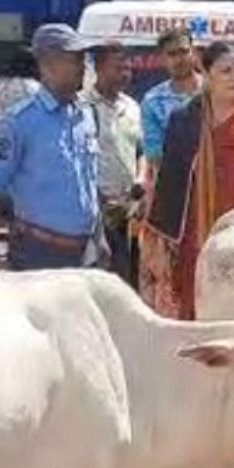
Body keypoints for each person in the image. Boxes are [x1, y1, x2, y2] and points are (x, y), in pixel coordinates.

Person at [143, 42, 234, 319]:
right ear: (206, 73)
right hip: (195, 245)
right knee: (196, 321)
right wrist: (161, 247)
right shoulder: (185, 119)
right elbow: (169, 187)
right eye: (226, 71)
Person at [0, 24, 103, 271]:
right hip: (38, 253)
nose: (84, 66)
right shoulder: (20, 121)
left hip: (85, 252)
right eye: (75, 58)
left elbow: (90, 184)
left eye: (84, 58)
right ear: (47, 64)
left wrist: (100, 239)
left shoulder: (87, 115)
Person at [81, 40, 144, 285]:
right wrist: (100, 199)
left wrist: (140, 180)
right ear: (98, 68)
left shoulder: (132, 107)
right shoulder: (82, 106)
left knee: (127, 278)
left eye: (128, 68)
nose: (124, 74)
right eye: (117, 68)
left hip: (129, 211)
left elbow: (141, 151)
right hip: (96, 211)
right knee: (98, 278)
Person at [142, 27, 203, 182]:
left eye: (183, 52)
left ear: (193, 53)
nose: (179, 59)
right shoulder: (153, 101)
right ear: (162, 59)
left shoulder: (214, 90)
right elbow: (155, 156)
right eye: (172, 54)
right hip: (176, 184)